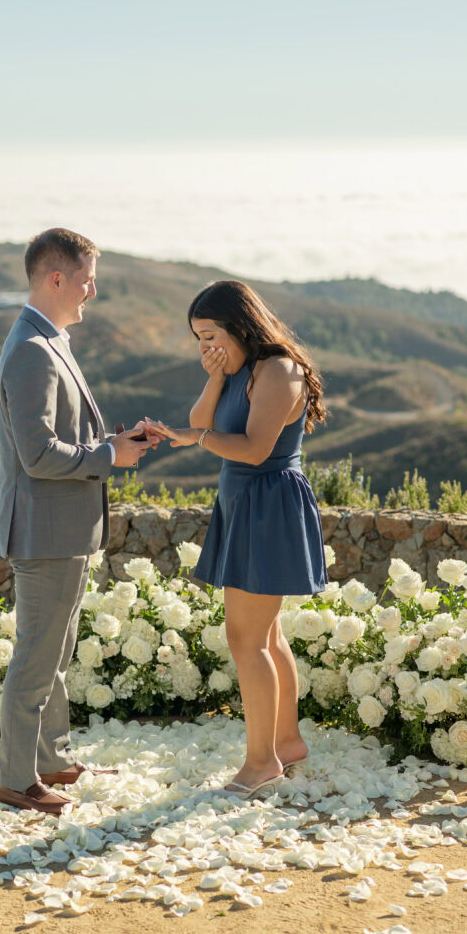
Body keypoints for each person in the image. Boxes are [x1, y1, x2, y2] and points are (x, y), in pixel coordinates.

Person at [0, 227, 159, 813]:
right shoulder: (31, 351)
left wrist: (113, 442)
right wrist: (110, 457)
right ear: (56, 278)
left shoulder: (49, 339)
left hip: (60, 529)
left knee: (54, 654)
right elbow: (37, 456)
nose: (93, 290)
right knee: (36, 656)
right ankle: (16, 779)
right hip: (44, 532)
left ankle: (51, 759)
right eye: (87, 279)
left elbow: (60, 440)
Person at [143, 280, 328, 799]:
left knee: (246, 639)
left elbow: (251, 448)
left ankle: (261, 761)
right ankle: (286, 744)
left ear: (239, 322)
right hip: (242, 503)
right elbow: (200, 421)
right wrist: (215, 376)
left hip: (269, 505)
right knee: (265, 636)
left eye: (210, 335)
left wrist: (195, 439)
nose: (205, 346)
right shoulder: (239, 369)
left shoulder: (279, 369)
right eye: (197, 338)